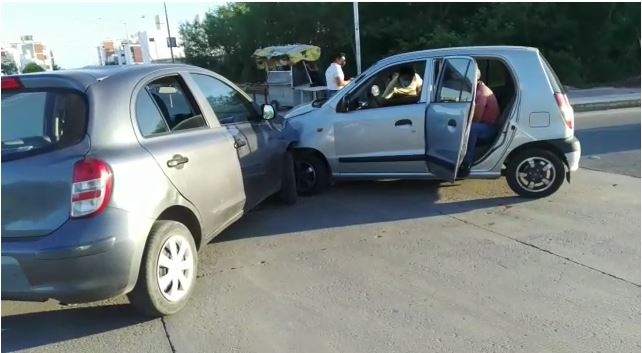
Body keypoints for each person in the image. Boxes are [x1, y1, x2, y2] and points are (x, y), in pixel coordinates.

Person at [459, 67, 500, 177]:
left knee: (471, 129)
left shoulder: (482, 93)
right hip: (484, 124)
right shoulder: (476, 90)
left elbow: (477, 117)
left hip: (489, 127)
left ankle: (467, 162)